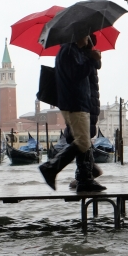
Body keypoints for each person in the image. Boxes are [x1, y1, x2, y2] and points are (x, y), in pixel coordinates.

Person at [39, 33, 104, 192]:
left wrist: (92, 57)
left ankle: (85, 179)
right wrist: (92, 59)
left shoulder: (73, 51)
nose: (87, 38)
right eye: (85, 35)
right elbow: (76, 74)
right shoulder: (68, 51)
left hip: (79, 102)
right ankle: (50, 168)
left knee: (83, 140)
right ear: (76, 35)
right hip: (75, 103)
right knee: (82, 141)